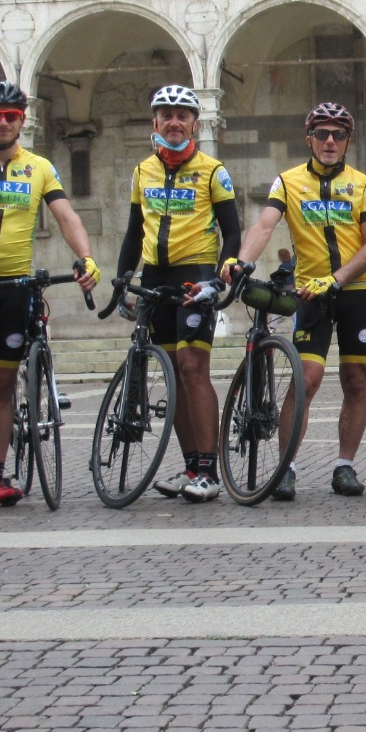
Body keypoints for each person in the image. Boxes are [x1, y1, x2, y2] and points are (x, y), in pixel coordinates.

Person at [0, 81, 100, 510]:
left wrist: (85, 256)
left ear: (22, 120)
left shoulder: (40, 167)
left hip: (13, 288)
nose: (4, 122)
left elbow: (66, 215)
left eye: (11, 115)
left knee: (2, 384)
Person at [227, 102, 366, 500]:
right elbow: (264, 225)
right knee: (305, 380)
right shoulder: (288, 182)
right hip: (310, 294)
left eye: (338, 134)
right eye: (322, 134)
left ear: (348, 140)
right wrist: (240, 261)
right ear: (309, 138)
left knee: (356, 380)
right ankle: (286, 469)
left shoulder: (362, 183)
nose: (330, 141)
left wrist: (338, 278)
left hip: (354, 291)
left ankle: (344, 467)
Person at [116, 84, 241, 503]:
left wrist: (218, 281)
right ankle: (191, 465)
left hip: (195, 275)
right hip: (155, 278)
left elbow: (233, 231)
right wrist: (120, 281)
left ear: (195, 123)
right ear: (154, 123)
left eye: (182, 115)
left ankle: (209, 469)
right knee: (171, 376)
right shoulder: (142, 171)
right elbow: (134, 232)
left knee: (193, 369)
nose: (174, 122)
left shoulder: (212, 170)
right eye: (166, 115)